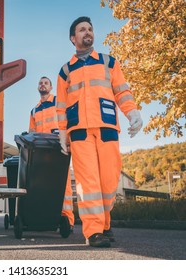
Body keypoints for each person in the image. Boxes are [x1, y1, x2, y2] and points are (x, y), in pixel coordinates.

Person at [56, 16, 143, 247]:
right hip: (80, 132)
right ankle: (93, 232)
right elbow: (61, 106)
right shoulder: (65, 71)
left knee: (108, 181)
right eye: (82, 30)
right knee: (88, 183)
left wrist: (132, 112)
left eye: (90, 29)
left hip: (107, 129)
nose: (88, 32)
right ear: (73, 38)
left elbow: (122, 92)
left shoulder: (109, 62)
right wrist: (62, 133)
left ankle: (104, 224)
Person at [29, 76, 75, 232]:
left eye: (46, 83)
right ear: (38, 87)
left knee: (64, 184)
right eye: (40, 83)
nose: (43, 85)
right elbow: (31, 132)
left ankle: (67, 220)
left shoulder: (58, 102)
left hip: (58, 146)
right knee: (43, 184)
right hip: (41, 151)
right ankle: (46, 218)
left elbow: (68, 119)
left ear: (51, 87)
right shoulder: (34, 110)